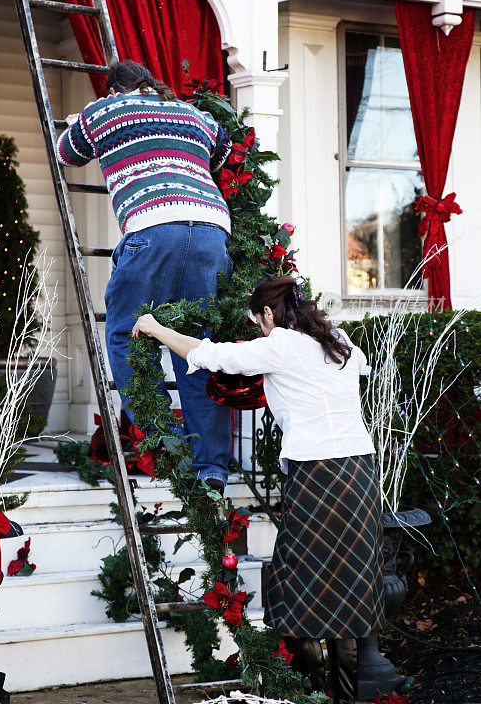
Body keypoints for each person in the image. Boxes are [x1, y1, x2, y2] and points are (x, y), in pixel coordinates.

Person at [132, 275, 386, 704]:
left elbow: (210, 355)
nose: (259, 331)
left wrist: (156, 328)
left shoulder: (282, 343)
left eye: (259, 322)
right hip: (360, 473)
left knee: (292, 587)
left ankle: (311, 694)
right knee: (350, 587)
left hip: (317, 472)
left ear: (269, 313)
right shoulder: (338, 339)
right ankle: (342, 699)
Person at [56, 59, 234, 491]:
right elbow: (224, 148)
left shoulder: (106, 111)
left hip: (152, 225)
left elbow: (67, 151)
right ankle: (211, 467)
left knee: (124, 335)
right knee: (196, 348)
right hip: (212, 230)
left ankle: (165, 442)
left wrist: (81, 118)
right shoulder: (196, 115)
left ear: (115, 89)